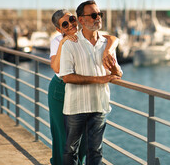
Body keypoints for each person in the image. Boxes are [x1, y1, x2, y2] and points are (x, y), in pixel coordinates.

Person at [48, 9, 119, 165]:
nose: (70, 25)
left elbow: (113, 38)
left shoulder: (87, 34)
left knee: (86, 141)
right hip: (60, 90)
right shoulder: (57, 40)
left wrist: (108, 49)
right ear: (59, 29)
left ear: (78, 19)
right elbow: (57, 68)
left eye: (72, 19)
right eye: (64, 24)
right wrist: (63, 42)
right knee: (63, 137)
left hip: (82, 90)